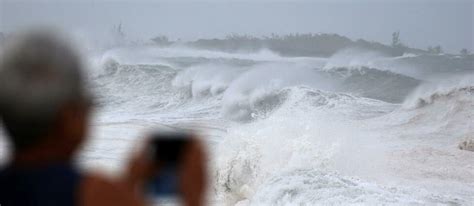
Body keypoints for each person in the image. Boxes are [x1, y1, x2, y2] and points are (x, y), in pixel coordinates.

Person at [0, 30, 207, 206]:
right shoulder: (93, 192)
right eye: (84, 100)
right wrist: (192, 197)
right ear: (67, 117)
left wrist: (128, 185)